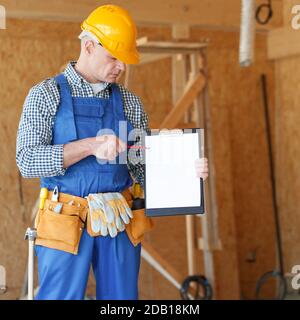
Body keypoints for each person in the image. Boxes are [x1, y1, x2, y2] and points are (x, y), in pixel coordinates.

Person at [16, 4, 208, 300]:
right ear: (89, 46)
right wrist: (91, 146)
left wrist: (185, 172)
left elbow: (144, 169)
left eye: (125, 60)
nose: (120, 66)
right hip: (65, 219)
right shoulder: (45, 95)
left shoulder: (130, 103)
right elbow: (28, 161)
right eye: (114, 57)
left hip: (118, 219)